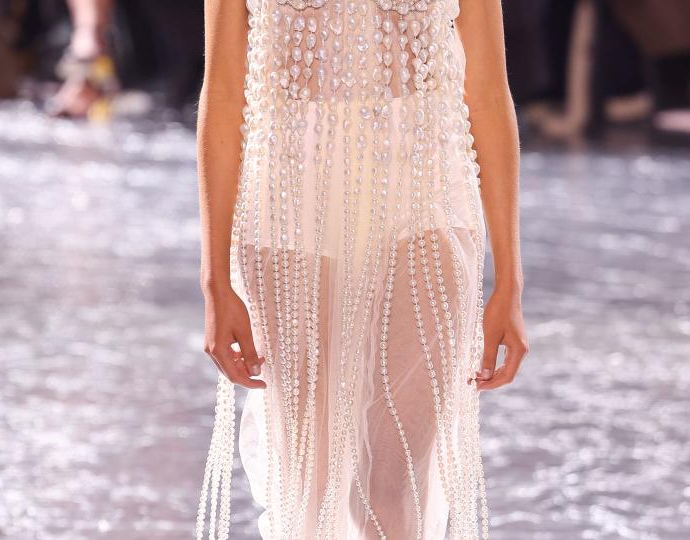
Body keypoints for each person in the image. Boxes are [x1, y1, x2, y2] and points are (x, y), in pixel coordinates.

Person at [195, 0, 528, 538]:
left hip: (427, 200)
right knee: (310, 485)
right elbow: (226, 90)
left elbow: (488, 91)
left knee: (397, 487)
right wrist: (214, 281)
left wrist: (511, 280)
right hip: (289, 208)